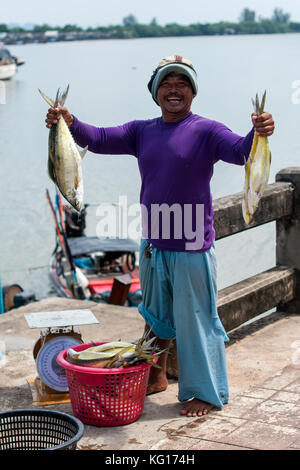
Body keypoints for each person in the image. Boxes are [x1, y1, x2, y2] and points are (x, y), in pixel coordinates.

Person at [45, 55, 275, 417]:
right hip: (153, 245)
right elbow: (100, 138)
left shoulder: (207, 130)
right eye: (166, 84)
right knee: (156, 318)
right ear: (154, 93)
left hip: (192, 248)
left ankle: (206, 392)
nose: (174, 89)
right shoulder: (142, 131)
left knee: (197, 322)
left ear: (192, 92)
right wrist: (68, 122)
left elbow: (241, 152)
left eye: (182, 83)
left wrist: (258, 133)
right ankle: (155, 376)